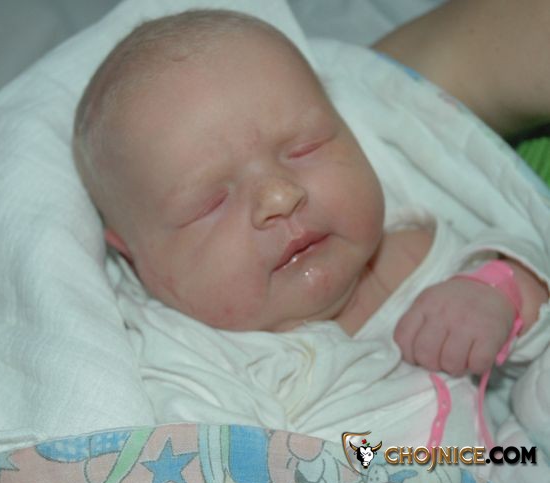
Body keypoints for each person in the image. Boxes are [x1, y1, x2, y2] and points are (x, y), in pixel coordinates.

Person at [72, 8, 548, 380]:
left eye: (305, 149)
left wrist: (499, 290)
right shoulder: (191, 367)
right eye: (211, 203)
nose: (279, 198)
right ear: (134, 257)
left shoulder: (430, 250)